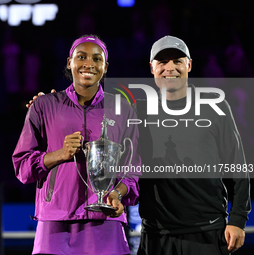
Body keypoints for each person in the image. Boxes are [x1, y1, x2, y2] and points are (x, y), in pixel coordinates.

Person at [27, 35, 251, 255]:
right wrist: (49, 104)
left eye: (177, 61)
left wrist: (238, 219)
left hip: (208, 231)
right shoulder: (135, 111)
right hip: (155, 233)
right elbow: (88, 110)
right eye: (162, 62)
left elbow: (238, 165)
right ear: (152, 68)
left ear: (189, 65)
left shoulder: (215, 107)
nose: (169, 68)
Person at [13, 35, 141, 255]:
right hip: (55, 223)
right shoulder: (44, 106)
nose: (88, 64)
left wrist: (118, 194)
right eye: (81, 57)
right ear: (69, 62)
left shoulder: (123, 109)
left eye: (96, 58)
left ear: (105, 66)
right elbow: (22, 167)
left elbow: (135, 169)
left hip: (106, 220)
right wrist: (59, 154)